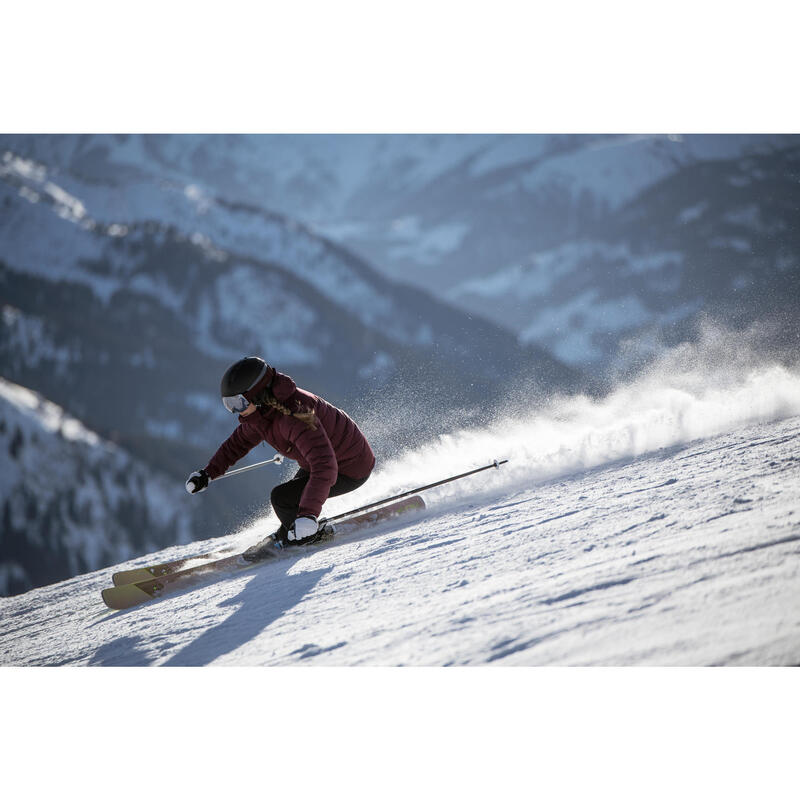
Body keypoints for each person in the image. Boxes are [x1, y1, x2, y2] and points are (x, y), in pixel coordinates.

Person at [185, 356, 375, 561]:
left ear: (256, 395)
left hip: (351, 466)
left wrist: (308, 515)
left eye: (238, 403)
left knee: (282, 498)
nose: (234, 411)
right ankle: (290, 533)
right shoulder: (263, 413)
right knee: (290, 498)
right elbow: (236, 445)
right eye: (228, 405)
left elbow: (325, 466)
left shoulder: (294, 415)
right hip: (325, 461)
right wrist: (208, 473)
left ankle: (310, 535)